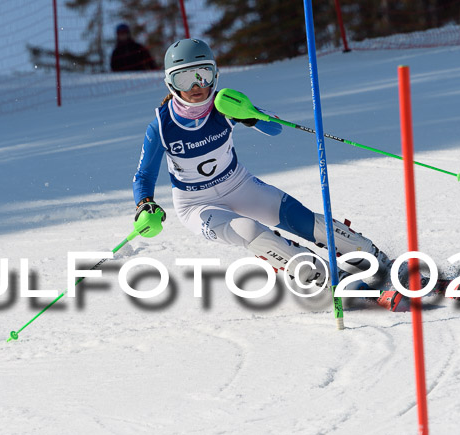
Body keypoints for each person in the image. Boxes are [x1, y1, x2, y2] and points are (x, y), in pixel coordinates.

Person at [132, 38, 391, 287]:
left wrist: (250, 116)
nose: (196, 86)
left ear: (215, 75)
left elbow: (276, 128)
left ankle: (375, 259)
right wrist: (145, 205)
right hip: (195, 205)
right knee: (249, 230)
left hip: (239, 185)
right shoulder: (162, 126)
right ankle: (324, 279)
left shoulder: (224, 104)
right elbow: (144, 176)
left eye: (203, 74)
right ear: (170, 83)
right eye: (184, 78)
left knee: (302, 220)